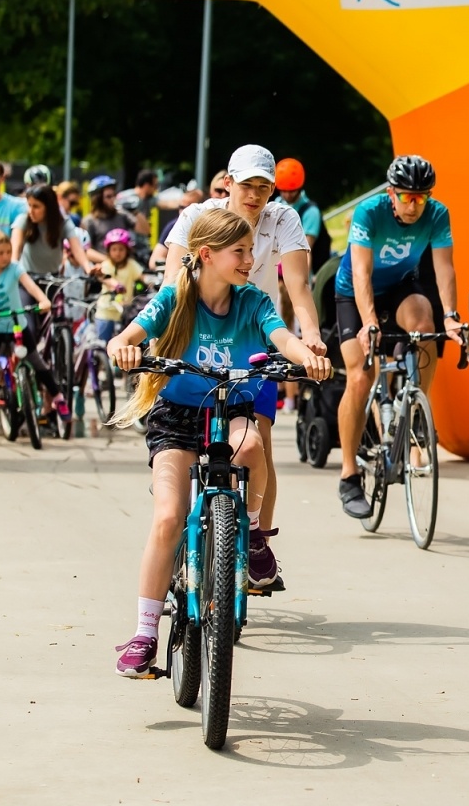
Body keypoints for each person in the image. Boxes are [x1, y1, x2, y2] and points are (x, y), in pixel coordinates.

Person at [105, 207, 332, 677]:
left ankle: (247, 536)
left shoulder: (252, 301)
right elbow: (126, 336)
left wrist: (305, 354)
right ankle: (145, 633)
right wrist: (124, 348)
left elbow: (281, 336)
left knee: (251, 448)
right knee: (168, 517)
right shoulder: (175, 298)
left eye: (252, 250)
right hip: (177, 415)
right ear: (206, 255)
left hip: (232, 406)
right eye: (240, 251)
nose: (251, 259)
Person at [165, 144, 326, 586]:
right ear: (228, 184)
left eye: (264, 187)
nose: (255, 196)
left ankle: (256, 538)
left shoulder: (283, 219)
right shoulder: (200, 216)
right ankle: (184, 527)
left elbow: (297, 284)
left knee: (258, 444)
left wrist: (310, 336)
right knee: (185, 436)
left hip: (258, 339)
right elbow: (171, 284)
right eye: (246, 186)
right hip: (200, 338)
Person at [333, 154, 462, 520]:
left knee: (426, 325)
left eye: (422, 197)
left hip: (401, 287)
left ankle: (417, 410)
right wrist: (369, 321)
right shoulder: (369, 212)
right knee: (360, 376)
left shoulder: (437, 214)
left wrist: (451, 317)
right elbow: (360, 271)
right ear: (391, 194)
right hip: (355, 293)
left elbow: (444, 269)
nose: (414, 205)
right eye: (407, 197)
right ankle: (348, 474)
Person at [0, 231, 62, 444]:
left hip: (16, 323)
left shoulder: (14, 268)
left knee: (35, 359)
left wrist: (43, 300)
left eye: (8, 251)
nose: (6, 256)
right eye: (1, 252)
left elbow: (30, 285)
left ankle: (58, 397)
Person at [12, 183, 95, 422]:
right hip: (27, 281)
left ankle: (54, 374)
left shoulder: (62, 222)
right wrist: (14, 268)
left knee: (58, 329)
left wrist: (89, 268)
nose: (31, 211)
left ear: (48, 207)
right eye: (29, 205)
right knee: (28, 331)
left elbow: (78, 251)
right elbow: (15, 252)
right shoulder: (23, 221)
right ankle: (28, 384)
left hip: (53, 281)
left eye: (36, 206)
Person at [275, 157, 330, 274]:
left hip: (310, 271)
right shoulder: (277, 204)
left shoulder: (311, 211)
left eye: (291, 191)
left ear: (299, 188)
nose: (287, 195)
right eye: (284, 191)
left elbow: (305, 251)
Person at [92, 228, 143, 344]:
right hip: (105, 311)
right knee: (101, 344)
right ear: (108, 250)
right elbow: (104, 278)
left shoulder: (132, 265)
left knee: (123, 345)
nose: (117, 253)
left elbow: (143, 276)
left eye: (121, 249)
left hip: (125, 313)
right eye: (114, 249)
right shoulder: (105, 265)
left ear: (127, 250)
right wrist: (115, 285)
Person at [83, 175, 139, 253]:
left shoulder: (122, 215)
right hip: (101, 263)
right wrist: (110, 263)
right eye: (109, 197)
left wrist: (135, 211)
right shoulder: (89, 221)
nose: (113, 199)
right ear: (98, 200)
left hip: (125, 264)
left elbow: (145, 230)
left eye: (114, 195)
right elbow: (86, 251)